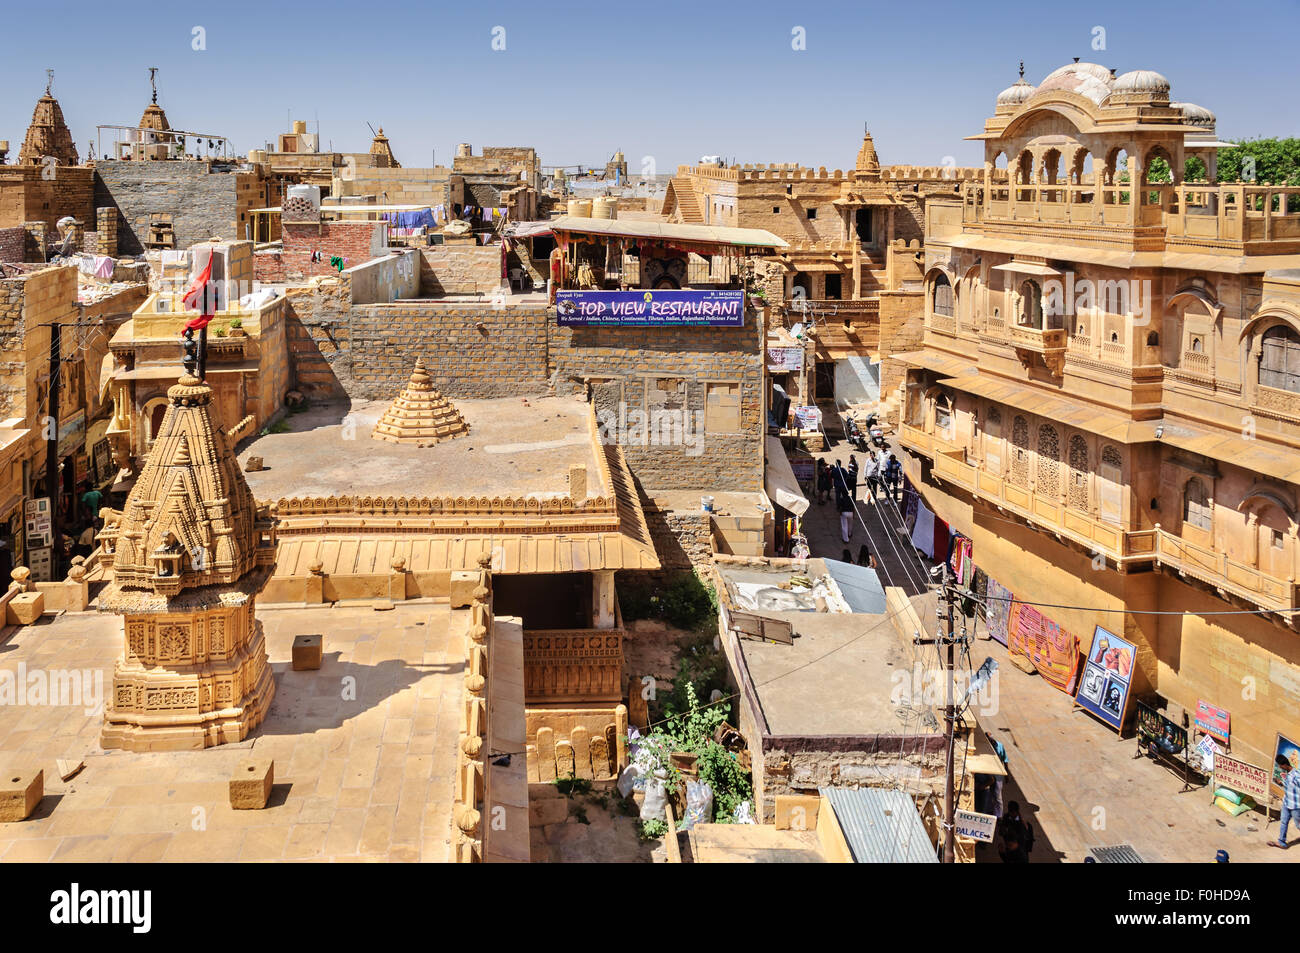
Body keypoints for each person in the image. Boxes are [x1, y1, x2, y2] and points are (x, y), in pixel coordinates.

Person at [1269, 754, 1300, 849]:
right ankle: (1281, 842)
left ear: (1285, 765)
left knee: (1298, 825)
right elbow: (1289, 786)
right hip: (1286, 803)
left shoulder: (1297, 775)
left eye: (1280, 765)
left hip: (1296, 806)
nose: (1280, 767)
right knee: (1283, 822)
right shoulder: (1288, 775)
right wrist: (1280, 782)